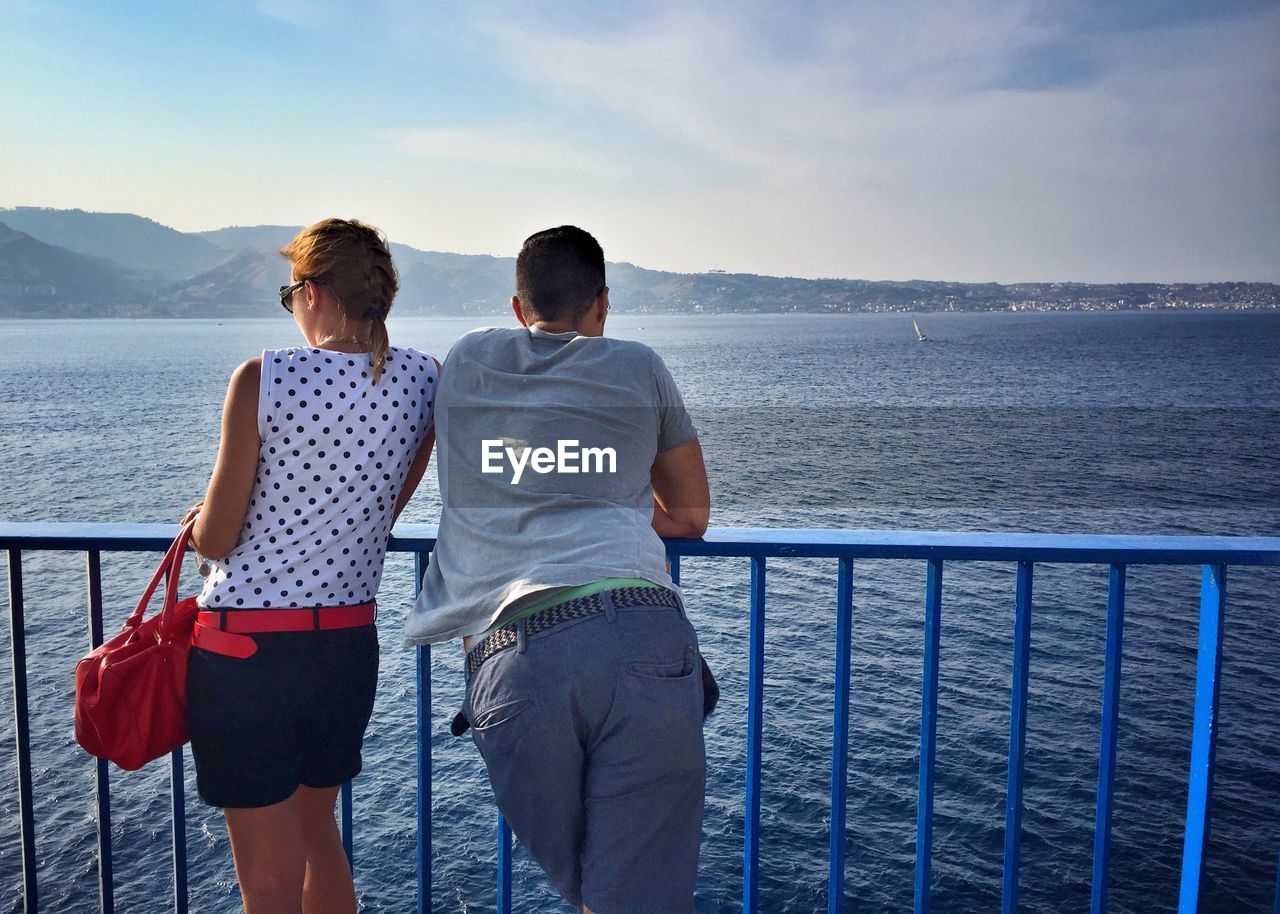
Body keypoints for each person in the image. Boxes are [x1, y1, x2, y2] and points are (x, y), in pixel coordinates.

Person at [406, 225, 712, 913]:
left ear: (518, 308)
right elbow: (691, 514)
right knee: (633, 896)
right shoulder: (638, 365)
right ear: (603, 303)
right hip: (641, 633)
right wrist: (620, 503)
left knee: (588, 887)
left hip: (517, 654)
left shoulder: (468, 358)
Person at [181, 218, 438, 914]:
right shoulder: (423, 379)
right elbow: (383, 511)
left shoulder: (263, 377)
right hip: (345, 649)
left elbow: (218, 537)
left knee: (266, 886)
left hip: (247, 656)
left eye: (291, 292)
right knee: (316, 831)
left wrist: (196, 524)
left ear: (315, 292)